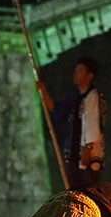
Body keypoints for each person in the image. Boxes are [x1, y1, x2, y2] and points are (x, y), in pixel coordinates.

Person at [38, 56, 106, 190]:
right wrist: (43, 92)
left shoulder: (93, 98)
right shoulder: (74, 98)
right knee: (73, 194)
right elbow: (58, 111)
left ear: (89, 75)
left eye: (80, 71)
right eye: (76, 71)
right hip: (72, 157)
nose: (76, 74)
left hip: (87, 160)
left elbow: (93, 129)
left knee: (87, 195)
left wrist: (87, 154)